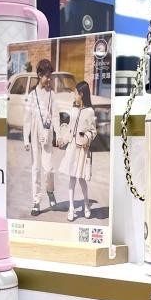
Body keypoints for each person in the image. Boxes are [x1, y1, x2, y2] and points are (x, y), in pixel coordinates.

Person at [23, 59, 58, 216]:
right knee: (36, 168)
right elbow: (27, 119)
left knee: (48, 169)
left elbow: (55, 116)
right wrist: (26, 138)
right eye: (47, 76)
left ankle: (50, 190)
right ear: (39, 75)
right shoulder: (32, 95)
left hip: (47, 134)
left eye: (50, 76)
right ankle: (36, 201)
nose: (49, 79)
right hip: (35, 134)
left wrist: (58, 134)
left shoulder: (52, 95)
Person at [59, 81, 97, 222]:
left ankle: (86, 204)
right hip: (72, 149)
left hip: (82, 149)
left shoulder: (90, 111)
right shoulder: (73, 109)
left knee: (81, 179)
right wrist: (63, 140)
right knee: (72, 179)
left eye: (75, 93)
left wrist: (86, 137)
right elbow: (70, 128)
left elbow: (93, 131)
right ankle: (71, 208)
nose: (74, 95)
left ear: (81, 94)